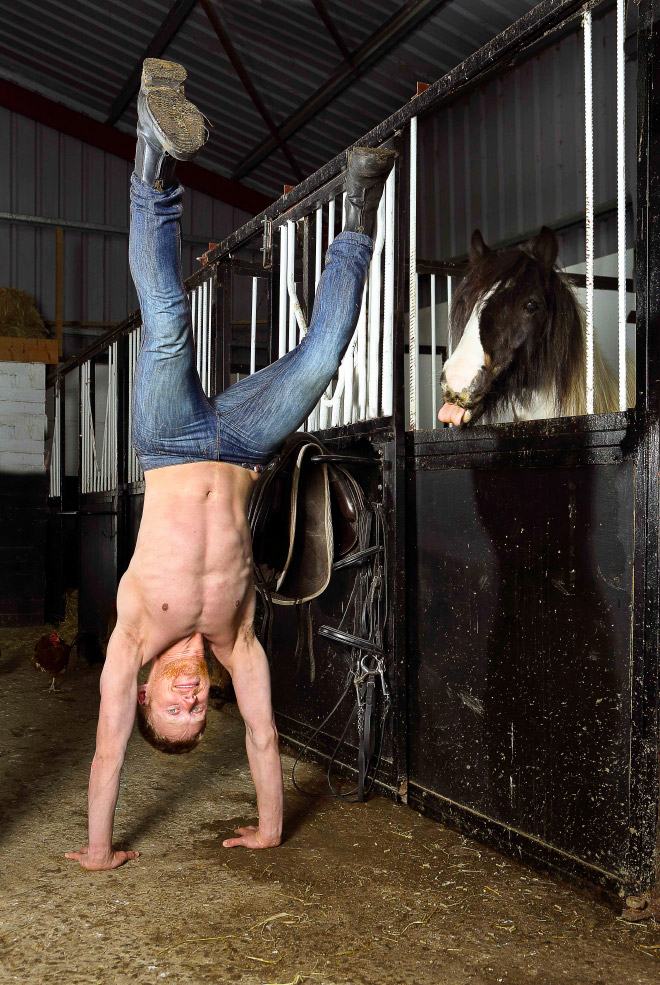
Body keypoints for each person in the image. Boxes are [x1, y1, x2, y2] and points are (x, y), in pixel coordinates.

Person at [65, 59, 395, 870]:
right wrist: (271, 828)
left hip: (173, 444)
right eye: (193, 713)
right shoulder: (237, 639)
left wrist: (99, 848)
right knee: (323, 360)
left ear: (143, 696)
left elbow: (107, 758)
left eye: (169, 710)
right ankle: (359, 202)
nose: (185, 699)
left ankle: (152, 153)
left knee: (170, 317)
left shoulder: (133, 637)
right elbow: (263, 734)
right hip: (245, 446)